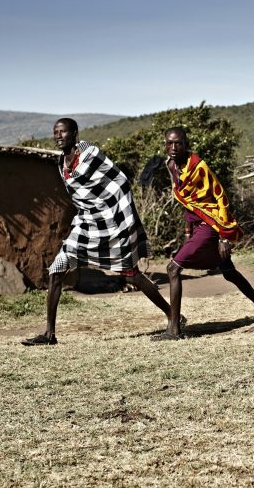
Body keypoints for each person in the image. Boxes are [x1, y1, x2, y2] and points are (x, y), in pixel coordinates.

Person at [21, 118, 172, 345]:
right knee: (57, 269)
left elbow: (119, 181)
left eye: (63, 132)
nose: (59, 136)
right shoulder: (62, 162)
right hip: (86, 224)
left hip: (111, 223)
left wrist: (116, 213)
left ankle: (172, 315)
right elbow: (78, 195)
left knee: (131, 274)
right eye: (55, 132)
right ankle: (49, 334)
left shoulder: (90, 154)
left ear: (74, 133)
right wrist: (89, 210)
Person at [158, 127, 254, 341]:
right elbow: (188, 204)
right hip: (197, 224)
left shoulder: (199, 167)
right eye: (169, 143)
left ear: (186, 144)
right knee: (228, 271)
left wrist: (224, 236)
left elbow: (220, 198)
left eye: (178, 143)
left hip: (212, 225)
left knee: (173, 268)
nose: (173, 148)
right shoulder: (172, 165)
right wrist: (188, 232)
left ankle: (174, 330)